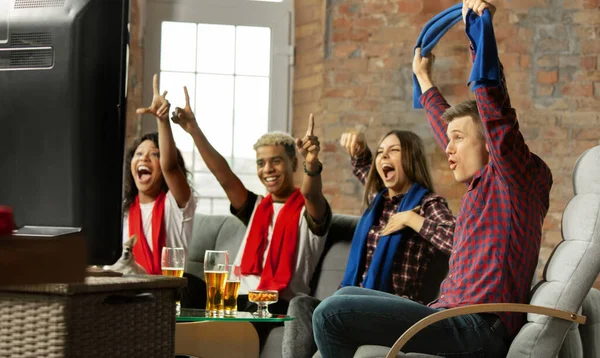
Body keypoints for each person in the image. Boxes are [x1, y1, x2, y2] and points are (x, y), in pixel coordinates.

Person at [311, 1, 553, 357]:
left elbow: (494, 106)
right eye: (448, 138)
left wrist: (478, 30)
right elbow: (450, 129)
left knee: (330, 315)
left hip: (476, 326)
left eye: (458, 139)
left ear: (489, 141)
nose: (447, 147)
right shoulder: (484, 183)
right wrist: (424, 79)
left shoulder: (514, 179)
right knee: (344, 297)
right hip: (450, 316)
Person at [282, 129, 456, 358]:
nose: (384, 157)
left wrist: (412, 219)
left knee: (337, 305)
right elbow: (365, 168)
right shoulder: (379, 201)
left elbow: (459, 241)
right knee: (301, 304)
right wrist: (361, 149)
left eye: (394, 151)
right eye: (381, 152)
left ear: (411, 159)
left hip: (394, 310)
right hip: (356, 302)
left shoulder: (428, 204)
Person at [173, 86, 331, 309]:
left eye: (276, 161)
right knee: (181, 285)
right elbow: (224, 177)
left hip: (275, 302)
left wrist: (312, 163)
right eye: (261, 163)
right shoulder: (257, 207)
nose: (268, 169)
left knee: (246, 312)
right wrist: (193, 130)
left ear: (294, 163)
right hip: (235, 297)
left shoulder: (309, 211)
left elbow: (311, 192)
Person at [122, 74, 196, 274]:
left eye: (153, 154)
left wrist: (162, 121)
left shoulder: (178, 204)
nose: (143, 159)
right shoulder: (124, 212)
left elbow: (170, 167)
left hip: (168, 295)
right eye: (138, 154)